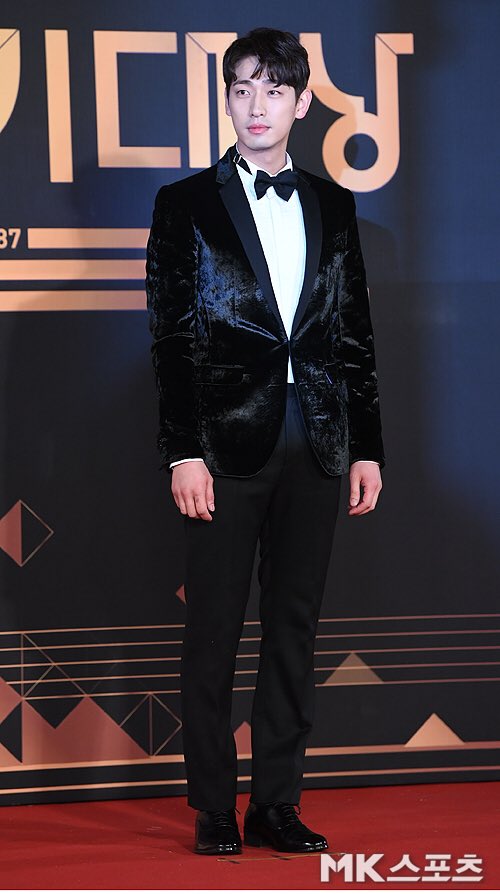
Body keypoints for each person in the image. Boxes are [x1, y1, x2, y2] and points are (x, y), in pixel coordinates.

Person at [146, 27, 385, 856]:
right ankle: (215, 804)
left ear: (302, 103)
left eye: (274, 90)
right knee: (213, 631)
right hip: (221, 446)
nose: (257, 105)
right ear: (226, 99)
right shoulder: (185, 203)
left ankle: (276, 803)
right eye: (243, 88)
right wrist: (182, 451)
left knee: (294, 628)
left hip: (316, 441)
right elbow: (170, 339)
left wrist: (366, 446)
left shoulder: (334, 204)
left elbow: (353, 335)